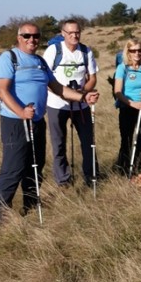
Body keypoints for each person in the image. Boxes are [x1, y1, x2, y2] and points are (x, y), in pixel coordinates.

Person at [0, 23, 100, 223]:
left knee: (36, 164)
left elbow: (58, 88)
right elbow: (3, 90)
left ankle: (31, 205)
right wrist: (21, 112)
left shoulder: (40, 61)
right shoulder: (9, 58)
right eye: (27, 36)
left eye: (36, 36)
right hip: (15, 122)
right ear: (18, 37)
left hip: (37, 120)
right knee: (13, 168)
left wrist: (82, 98)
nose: (32, 40)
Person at [43, 20, 98, 187]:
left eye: (77, 32)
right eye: (70, 33)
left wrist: (80, 93)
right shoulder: (54, 50)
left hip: (81, 104)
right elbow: (46, 78)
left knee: (88, 142)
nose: (74, 35)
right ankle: (63, 180)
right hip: (56, 104)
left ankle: (91, 176)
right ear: (63, 33)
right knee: (58, 143)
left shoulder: (85, 51)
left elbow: (92, 78)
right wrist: (64, 94)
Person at [114, 38, 141, 174]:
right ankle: (123, 169)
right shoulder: (122, 68)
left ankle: (139, 167)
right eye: (133, 50)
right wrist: (133, 104)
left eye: (139, 50)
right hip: (127, 107)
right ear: (128, 52)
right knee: (127, 139)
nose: (137, 53)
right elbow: (117, 92)